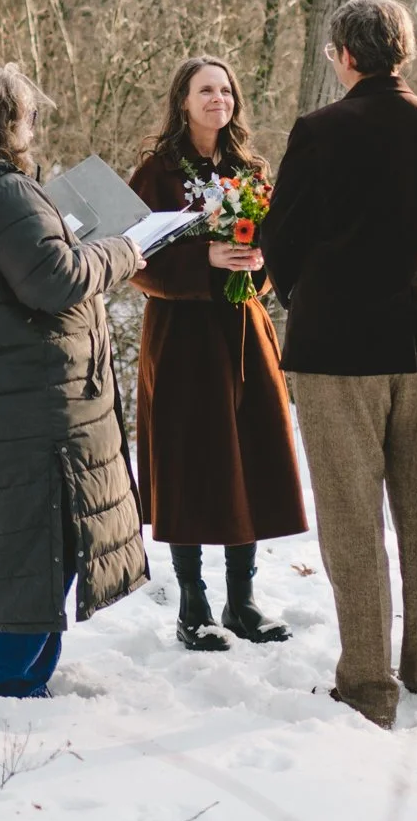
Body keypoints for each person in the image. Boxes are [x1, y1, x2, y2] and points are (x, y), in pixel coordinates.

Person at [0, 64, 148, 705]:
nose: (33, 126)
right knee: (34, 544)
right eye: (27, 115)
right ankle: (10, 690)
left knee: (4, 538)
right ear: (4, 120)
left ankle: (1, 677)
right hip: (27, 402)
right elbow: (54, 281)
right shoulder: (4, 193)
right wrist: (123, 249)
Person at [261, 0, 417, 729]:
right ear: (401, 52)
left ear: (343, 55)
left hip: (337, 350)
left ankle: (366, 685)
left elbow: (279, 237)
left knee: (352, 520)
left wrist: (302, 294)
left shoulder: (319, 132)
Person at [129, 55, 307, 651]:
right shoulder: (156, 173)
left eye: (226, 90)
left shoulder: (250, 170)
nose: (218, 100)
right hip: (180, 337)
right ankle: (193, 604)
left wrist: (257, 267)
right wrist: (203, 262)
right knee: (189, 459)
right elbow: (134, 259)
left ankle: (242, 600)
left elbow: (275, 250)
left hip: (243, 334)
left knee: (247, 456)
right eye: (206, 90)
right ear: (183, 99)